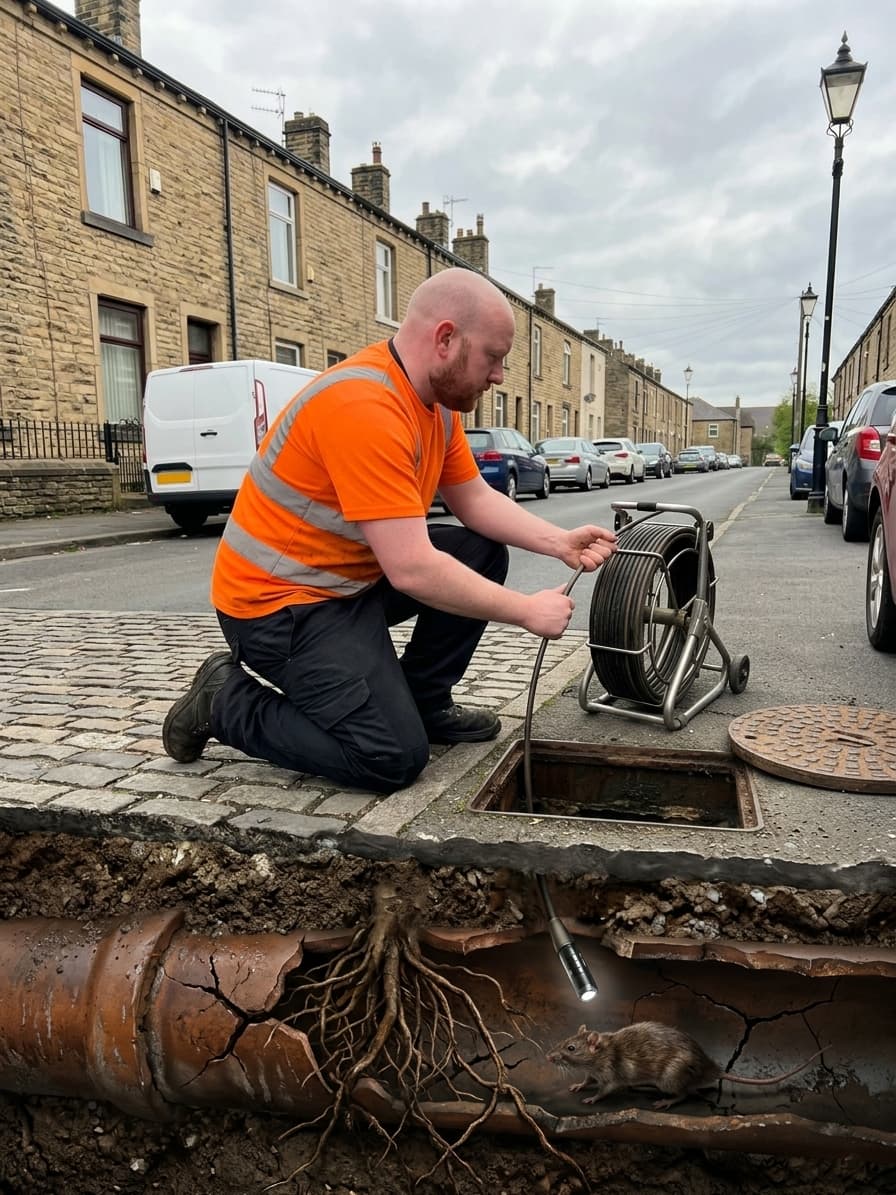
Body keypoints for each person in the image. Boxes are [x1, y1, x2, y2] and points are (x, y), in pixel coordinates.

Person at [163, 268, 617, 793]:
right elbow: (412, 569)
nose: (498, 376)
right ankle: (222, 700)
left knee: (480, 550)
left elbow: (473, 499)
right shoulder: (365, 407)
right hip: (277, 607)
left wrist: (558, 542)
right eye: (493, 357)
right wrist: (525, 611)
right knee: (388, 756)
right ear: (445, 339)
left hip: (345, 586)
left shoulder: (435, 406)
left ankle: (424, 702)